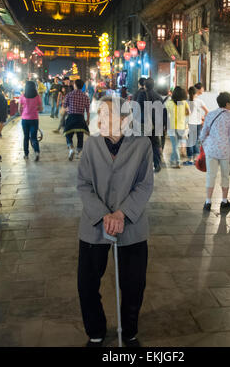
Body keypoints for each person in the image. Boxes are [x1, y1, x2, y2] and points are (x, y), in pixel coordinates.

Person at [77, 96, 153, 348]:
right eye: (99, 115)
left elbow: (144, 185)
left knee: (134, 284)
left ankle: (129, 331)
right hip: (94, 223)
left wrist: (122, 214)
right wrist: (103, 215)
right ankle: (95, 330)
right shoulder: (90, 145)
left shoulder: (142, 145)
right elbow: (84, 184)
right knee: (87, 283)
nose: (100, 120)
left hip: (130, 223)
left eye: (107, 115)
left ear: (125, 119)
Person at [200, 92, 230, 212]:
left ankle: (208, 202)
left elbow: (203, 134)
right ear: (227, 103)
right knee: (225, 176)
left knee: (211, 175)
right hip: (225, 151)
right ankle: (224, 201)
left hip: (211, 150)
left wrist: (206, 145)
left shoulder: (210, 114)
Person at [63, 79, 90, 160]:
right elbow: (88, 110)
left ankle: (71, 149)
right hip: (80, 119)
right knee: (80, 136)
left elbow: (64, 107)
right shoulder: (85, 96)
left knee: (68, 135)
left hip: (71, 118)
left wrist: (68, 109)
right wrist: (88, 120)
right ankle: (78, 152)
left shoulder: (69, 95)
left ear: (75, 85)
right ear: (82, 86)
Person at [166, 87, 190, 169]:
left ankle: (177, 162)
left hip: (172, 127)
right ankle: (172, 159)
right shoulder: (184, 103)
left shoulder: (169, 103)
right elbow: (188, 113)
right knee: (176, 145)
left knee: (175, 145)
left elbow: (165, 113)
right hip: (181, 127)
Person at [18, 81, 43, 161]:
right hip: (34, 119)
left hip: (25, 119)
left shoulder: (22, 96)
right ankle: (36, 152)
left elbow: (19, 109)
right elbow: (41, 108)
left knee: (26, 137)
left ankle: (26, 154)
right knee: (34, 137)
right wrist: (36, 109)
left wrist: (23, 114)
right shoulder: (37, 96)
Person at [184, 86, 208, 166]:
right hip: (198, 123)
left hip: (189, 124)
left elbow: (185, 114)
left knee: (190, 141)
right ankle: (196, 159)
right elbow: (207, 111)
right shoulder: (199, 101)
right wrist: (203, 119)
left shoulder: (186, 102)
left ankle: (190, 159)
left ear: (188, 92)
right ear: (196, 93)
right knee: (196, 141)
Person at [143, 77, 163, 173]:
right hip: (156, 124)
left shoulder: (142, 95)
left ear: (145, 85)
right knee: (155, 144)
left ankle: (145, 165)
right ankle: (157, 163)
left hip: (144, 124)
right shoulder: (158, 96)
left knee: (143, 144)